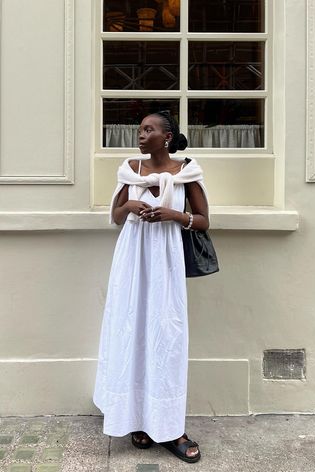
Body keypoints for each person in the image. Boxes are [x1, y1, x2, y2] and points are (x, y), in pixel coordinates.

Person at [93, 110, 209, 463]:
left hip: (166, 262)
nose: (141, 134)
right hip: (132, 261)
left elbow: (203, 220)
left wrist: (172, 214)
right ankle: (136, 418)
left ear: (167, 136)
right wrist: (128, 204)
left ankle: (171, 427)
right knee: (131, 331)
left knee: (166, 336)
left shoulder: (187, 171)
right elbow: (115, 216)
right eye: (140, 129)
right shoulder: (131, 169)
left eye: (149, 129)